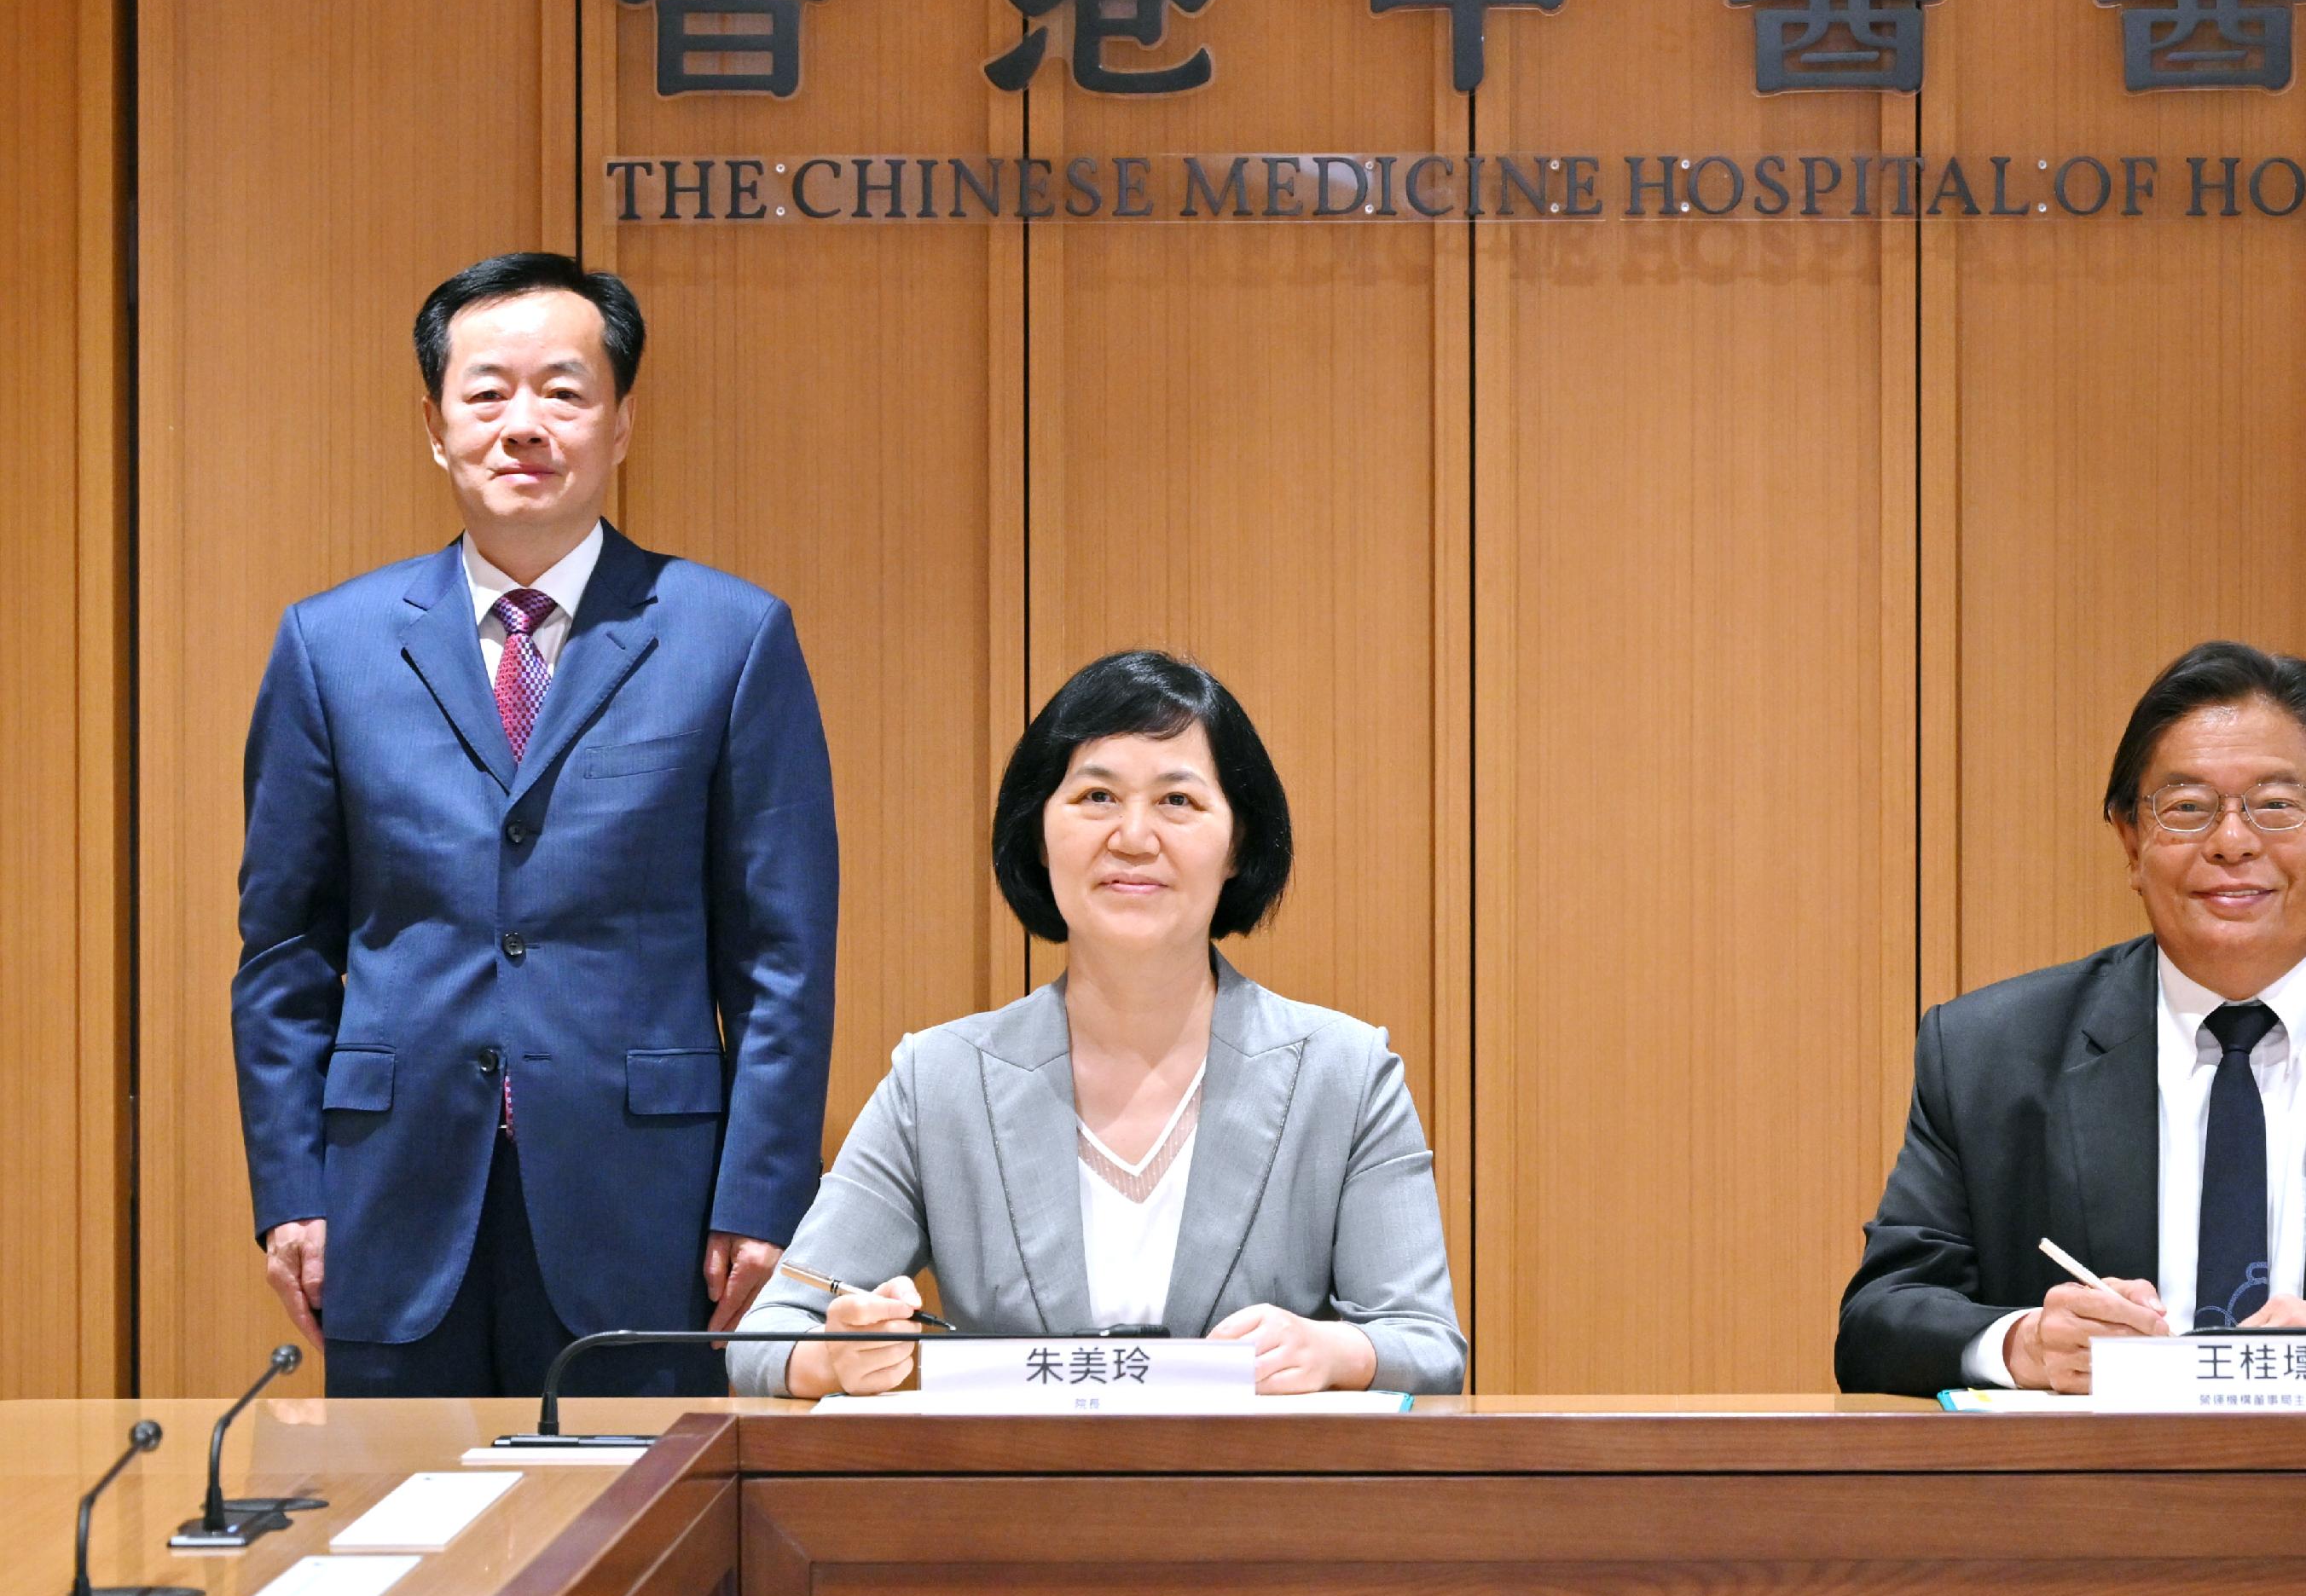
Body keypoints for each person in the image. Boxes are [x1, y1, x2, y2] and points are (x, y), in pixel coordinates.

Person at [234, 253, 838, 1395]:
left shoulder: (730, 635)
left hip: (653, 1209)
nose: (525, 423)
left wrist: (763, 1197)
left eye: (564, 390)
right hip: (393, 1191)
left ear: (619, 424)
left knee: (641, 1543)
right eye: (488, 391)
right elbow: (283, 954)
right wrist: (294, 1187)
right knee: (409, 1546)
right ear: (434, 421)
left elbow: (781, 956)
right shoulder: (331, 643)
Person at [1837, 642, 2306, 1397]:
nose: (2234, 843)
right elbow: (1879, 1320)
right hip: (2094, 1501)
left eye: (2277, 805)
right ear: (2130, 840)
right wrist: (2025, 1345)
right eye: (2188, 809)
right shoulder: (1989, 1051)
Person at [733, 650, 1463, 1399]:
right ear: (1040, 834)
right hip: (1017, 1507)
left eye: (1178, 801)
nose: (1135, 836)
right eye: (1096, 796)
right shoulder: (939, 1079)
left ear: (1239, 842)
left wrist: (1336, 1350)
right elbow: (762, 1337)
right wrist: (835, 1353)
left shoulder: (1344, 1072)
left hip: (1255, 1508)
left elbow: (1429, 1342)